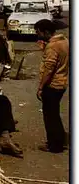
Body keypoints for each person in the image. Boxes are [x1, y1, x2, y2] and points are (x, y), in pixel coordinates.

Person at [34, 19, 69, 153]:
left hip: (53, 85)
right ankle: (59, 141)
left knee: (50, 116)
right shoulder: (64, 41)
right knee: (54, 114)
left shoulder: (53, 46)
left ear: (46, 32)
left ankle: (54, 145)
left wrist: (41, 87)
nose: (38, 35)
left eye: (39, 32)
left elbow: (49, 68)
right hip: (62, 82)